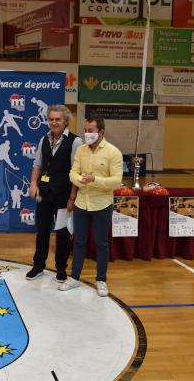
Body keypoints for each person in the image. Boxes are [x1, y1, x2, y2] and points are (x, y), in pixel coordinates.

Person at [59, 115, 123, 297]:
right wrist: (80, 179)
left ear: (101, 132)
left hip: (102, 205)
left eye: (91, 131)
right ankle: (74, 278)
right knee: (79, 242)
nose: (87, 134)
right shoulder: (81, 150)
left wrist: (94, 180)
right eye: (86, 131)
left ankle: (101, 280)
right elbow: (72, 172)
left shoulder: (113, 153)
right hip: (81, 204)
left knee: (101, 243)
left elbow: (116, 181)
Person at [26, 105, 82, 282]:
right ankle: (38, 265)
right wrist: (33, 183)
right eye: (51, 119)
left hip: (64, 195)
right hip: (44, 193)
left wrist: (72, 198)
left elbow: (76, 171)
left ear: (66, 121)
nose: (54, 122)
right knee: (42, 230)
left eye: (58, 119)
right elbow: (37, 164)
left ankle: (60, 268)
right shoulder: (44, 139)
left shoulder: (75, 142)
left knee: (62, 233)